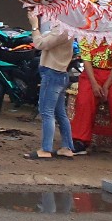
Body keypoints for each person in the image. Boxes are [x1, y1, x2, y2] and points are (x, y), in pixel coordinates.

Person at [26, 11, 77, 159]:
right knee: (60, 112)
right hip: (59, 74)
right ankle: (67, 147)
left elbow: (40, 44)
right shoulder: (65, 28)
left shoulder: (62, 30)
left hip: (53, 74)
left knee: (46, 111)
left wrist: (34, 26)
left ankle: (46, 149)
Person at [71, 37, 112, 154]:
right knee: (84, 101)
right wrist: (94, 84)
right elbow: (86, 61)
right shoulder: (87, 36)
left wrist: (106, 86)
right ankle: (80, 140)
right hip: (91, 74)